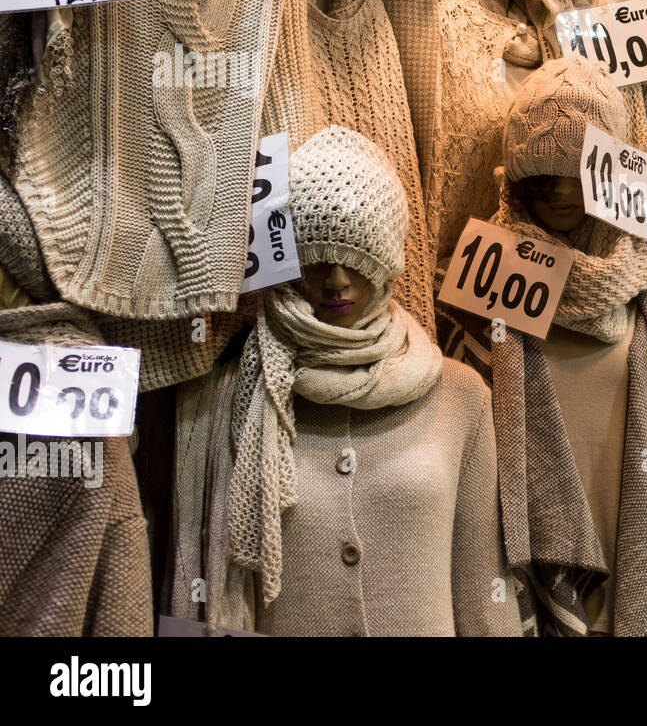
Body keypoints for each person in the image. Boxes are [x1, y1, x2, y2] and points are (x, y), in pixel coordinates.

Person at [173, 125, 519, 635]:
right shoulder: (237, 393)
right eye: (316, 261)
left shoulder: (462, 398)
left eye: (356, 260)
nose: (336, 281)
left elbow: (484, 589)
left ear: (385, 262)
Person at [437, 57, 647, 636]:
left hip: (645, 565)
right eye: (538, 173)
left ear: (610, 171)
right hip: (525, 582)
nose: (557, 190)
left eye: (575, 170)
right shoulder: (476, 292)